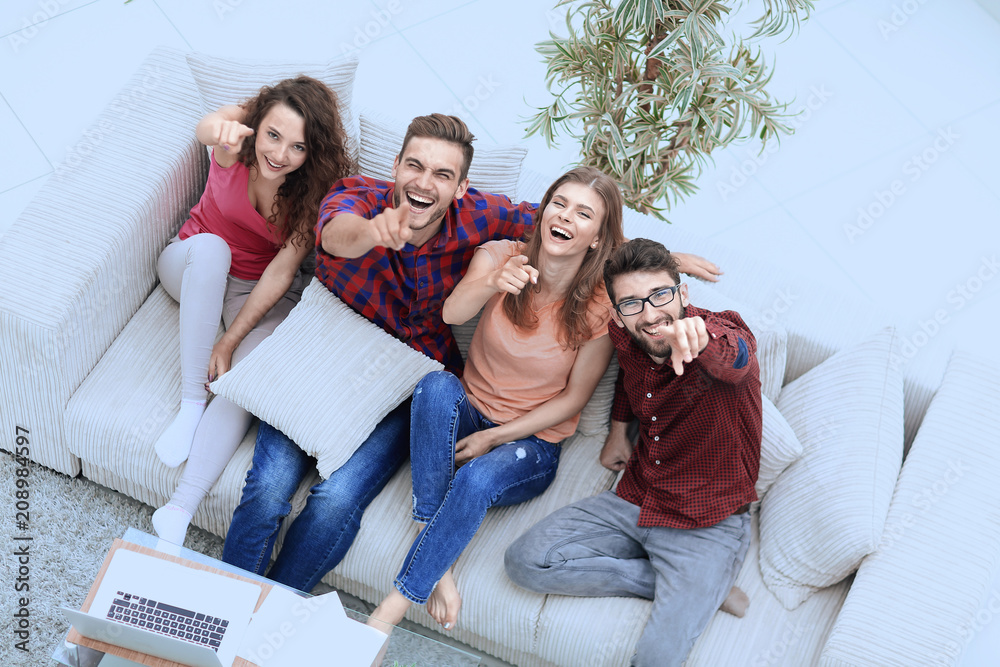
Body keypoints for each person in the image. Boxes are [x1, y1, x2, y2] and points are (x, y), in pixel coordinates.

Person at [220, 113, 722, 594]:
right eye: (414, 166)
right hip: (329, 355)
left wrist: (664, 260)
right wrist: (376, 232)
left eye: (442, 174)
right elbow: (336, 236)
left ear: (460, 188)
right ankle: (221, 615)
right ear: (395, 166)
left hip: (403, 384)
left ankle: (267, 628)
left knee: (334, 502)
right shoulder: (355, 197)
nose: (424, 183)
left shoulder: (481, 217)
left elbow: (572, 229)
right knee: (267, 491)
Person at [368, 166, 624, 632]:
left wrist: (496, 439)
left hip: (529, 444)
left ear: (596, 238)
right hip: (466, 411)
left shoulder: (599, 309)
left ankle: (391, 611)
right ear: (544, 210)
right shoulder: (501, 255)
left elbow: (572, 401)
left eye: (584, 213)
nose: (565, 216)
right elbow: (451, 312)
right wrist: (492, 283)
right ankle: (438, 556)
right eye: (560, 203)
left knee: (474, 481)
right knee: (434, 385)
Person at [504, 238, 762, 667]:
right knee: (524, 562)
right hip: (635, 497)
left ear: (683, 293)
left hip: (705, 523)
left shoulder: (724, 338)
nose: (650, 314)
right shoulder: (625, 336)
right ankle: (693, 589)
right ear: (618, 315)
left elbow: (736, 358)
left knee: (656, 660)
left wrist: (702, 341)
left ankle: (700, 586)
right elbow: (631, 377)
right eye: (632, 304)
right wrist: (619, 432)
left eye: (660, 295)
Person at [150, 76, 352, 546]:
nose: (280, 154)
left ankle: (179, 508)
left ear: (312, 152)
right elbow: (208, 126)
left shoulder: (310, 197)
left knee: (249, 379)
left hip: (253, 290)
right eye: (274, 136)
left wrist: (231, 340)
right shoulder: (233, 147)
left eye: (297, 147)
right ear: (257, 126)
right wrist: (219, 128)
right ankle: (191, 404)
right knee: (215, 249)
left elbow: (281, 275)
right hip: (193, 263)